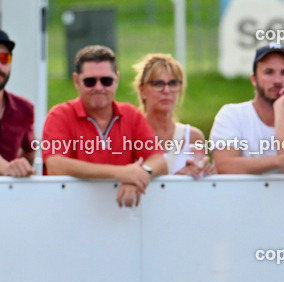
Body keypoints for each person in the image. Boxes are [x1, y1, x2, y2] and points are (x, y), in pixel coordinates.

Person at [42, 45, 167, 207]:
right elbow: (55, 166)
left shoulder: (131, 115)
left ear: (117, 79)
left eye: (106, 81)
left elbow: (158, 160)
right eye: (90, 81)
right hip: (69, 214)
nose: (98, 87)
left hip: (120, 217)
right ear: (76, 81)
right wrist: (120, 173)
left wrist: (140, 174)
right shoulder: (60, 115)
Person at [210, 44, 284, 175]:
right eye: (269, 72)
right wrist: (280, 161)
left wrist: (279, 108)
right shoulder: (231, 115)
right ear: (254, 80)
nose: (277, 80)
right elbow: (226, 166)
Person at [133, 53, 211, 177]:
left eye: (173, 83)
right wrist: (176, 177)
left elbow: (202, 182)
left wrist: (206, 172)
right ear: (142, 90)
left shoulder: (194, 137)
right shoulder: (130, 134)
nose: (167, 90)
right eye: (158, 84)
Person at [0, 29, 36, 177]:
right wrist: (7, 168)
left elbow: (30, 151)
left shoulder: (24, 109)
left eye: (4, 58)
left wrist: (19, 167)